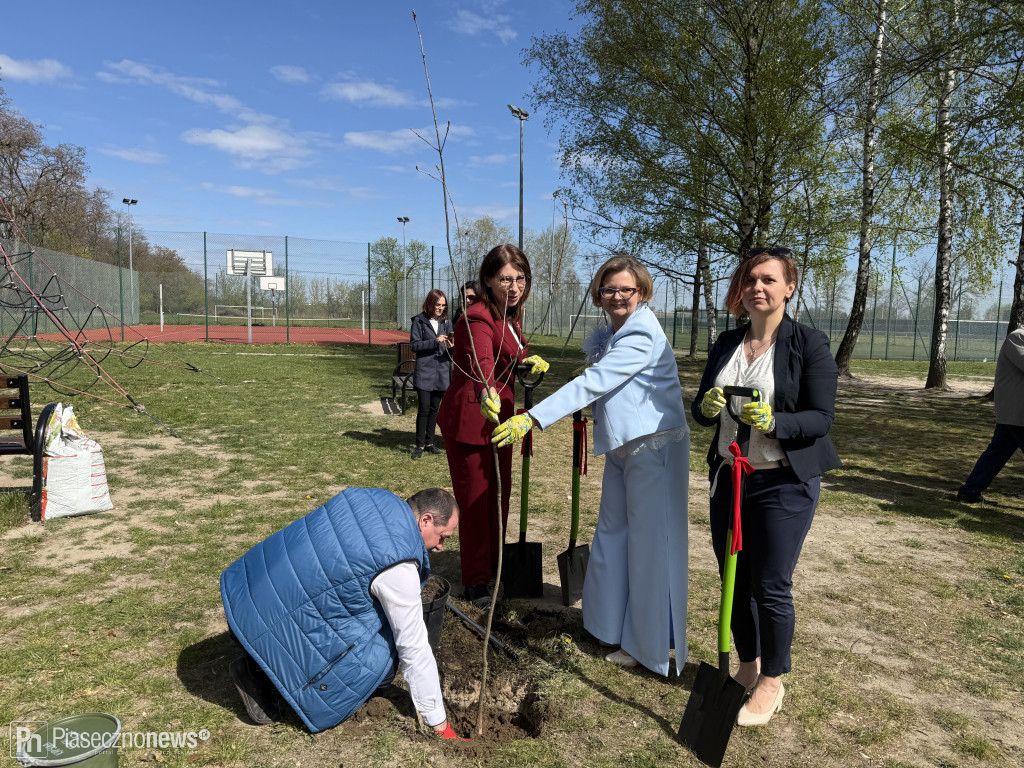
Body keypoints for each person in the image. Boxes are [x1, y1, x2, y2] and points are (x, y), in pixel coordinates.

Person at [492, 254, 689, 676]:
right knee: (613, 534)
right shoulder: (618, 331)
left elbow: (595, 382)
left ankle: (645, 646)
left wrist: (533, 418)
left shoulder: (642, 332)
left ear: (642, 291)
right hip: (622, 448)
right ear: (598, 294)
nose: (616, 296)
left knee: (648, 546)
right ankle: (607, 625)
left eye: (626, 289)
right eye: (608, 289)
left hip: (652, 447)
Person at [692, 246, 841, 727]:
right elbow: (702, 407)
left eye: (769, 279)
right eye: (750, 279)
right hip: (729, 478)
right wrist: (706, 408)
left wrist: (775, 421)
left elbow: (821, 418)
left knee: (770, 584)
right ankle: (749, 663)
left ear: (789, 288)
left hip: (782, 483)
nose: (757, 287)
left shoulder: (808, 343)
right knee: (733, 579)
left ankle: (773, 680)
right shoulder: (726, 342)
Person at [220, 487, 468, 739]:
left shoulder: (370, 496)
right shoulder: (398, 563)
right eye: (442, 536)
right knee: (383, 661)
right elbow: (413, 647)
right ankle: (258, 673)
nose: (440, 546)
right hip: (263, 625)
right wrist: (438, 721)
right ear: (425, 520)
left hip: (243, 594)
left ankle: (258, 651)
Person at [436, 245, 548, 609]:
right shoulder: (476, 317)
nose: (515, 287)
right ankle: (476, 579)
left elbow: (508, 355)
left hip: (502, 419)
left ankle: (495, 565)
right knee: (475, 501)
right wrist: (487, 387)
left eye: (520, 279)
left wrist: (527, 362)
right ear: (487, 280)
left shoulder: (509, 315)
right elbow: (482, 359)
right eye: (505, 279)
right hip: (473, 418)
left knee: (499, 496)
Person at [958, 326, 1024, 502]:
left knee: (996, 453)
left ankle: (970, 491)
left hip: (1015, 415)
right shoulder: (1018, 337)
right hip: (1016, 412)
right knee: (996, 453)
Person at [410, 289, 454, 459]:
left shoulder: (447, 323)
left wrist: (451, 346)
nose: (441, 308)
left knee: (435, 409)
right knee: (424, 409)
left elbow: (452, 350)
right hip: (425, 372)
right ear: (430, 303)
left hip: (442, 372)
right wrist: (434, 342)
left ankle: (429, 443)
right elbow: (414, 345)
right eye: (438, 305)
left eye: (443, 305)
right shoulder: (419, 321)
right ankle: (419, 445)